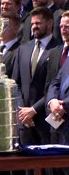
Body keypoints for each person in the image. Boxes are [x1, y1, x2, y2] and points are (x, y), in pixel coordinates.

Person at [12, 6, 60, 147]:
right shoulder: (23, 49)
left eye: (38, 23)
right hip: (24, 121)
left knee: (47, 167)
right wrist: (22, 111)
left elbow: (54, 86)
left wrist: (33, 110)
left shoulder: (58, 49)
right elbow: (15, 83)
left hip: (45, 120)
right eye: (32, 24)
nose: (34, 27)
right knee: (26, 166)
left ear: (50, 23)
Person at [45, 10, 69, 175]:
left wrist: (64, 104)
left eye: (67, 26)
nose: (63, 30)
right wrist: (52, 101)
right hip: (60, 124)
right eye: (61, 26)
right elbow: (55, 81)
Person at [0, 11, 21, 78]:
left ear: (16, 28)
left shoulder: (19, 51)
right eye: (0, 25)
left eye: (5, 26)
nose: (1, 29)